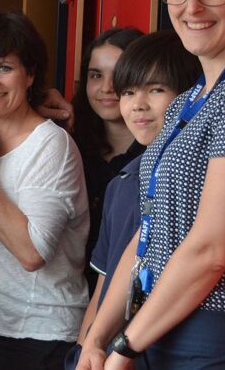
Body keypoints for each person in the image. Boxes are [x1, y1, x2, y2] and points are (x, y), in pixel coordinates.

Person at [77, 0, 225, 369]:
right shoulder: (189, 100)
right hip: (157, 324)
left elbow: (211, 250)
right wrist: (98, 338)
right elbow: (150, 232)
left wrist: (126, 344)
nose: (192, 7)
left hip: (212, 330)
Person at [0, 10, 89, 369]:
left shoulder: (49, 146)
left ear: (29, 75)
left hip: (41, 335)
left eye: (4, 67)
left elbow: (32, 253)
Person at [66, 30, 199, 368]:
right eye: (128, 92)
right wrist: (85, 348)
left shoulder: (199, 174)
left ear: (192, 95)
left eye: (156, 89)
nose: (138, 104)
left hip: (176, 345)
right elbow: (105, 281)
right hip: (114, 351)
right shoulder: (123, 183)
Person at [70, 27, 144, 288]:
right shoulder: (71, 144)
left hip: (129, 292)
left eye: (120, 74)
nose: (107, 87)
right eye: (96, 75)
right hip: (73, 289)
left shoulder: (157, 154)